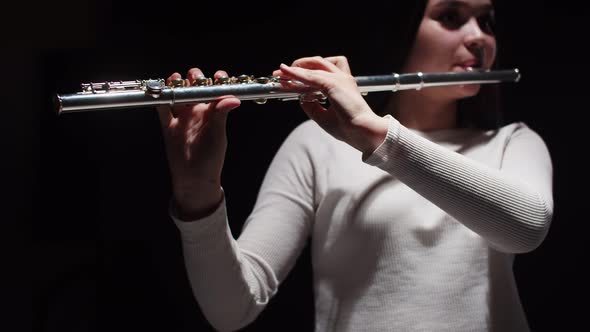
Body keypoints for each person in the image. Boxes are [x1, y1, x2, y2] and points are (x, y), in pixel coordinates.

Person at [156, 0, 554, 331]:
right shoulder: (317, 144)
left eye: (487, 21)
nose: (479, 37)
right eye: (451, 16)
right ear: (403, 25)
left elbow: (527, 227)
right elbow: (231, 309)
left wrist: (376, 135)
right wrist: (198, 191)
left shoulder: (513, 143)